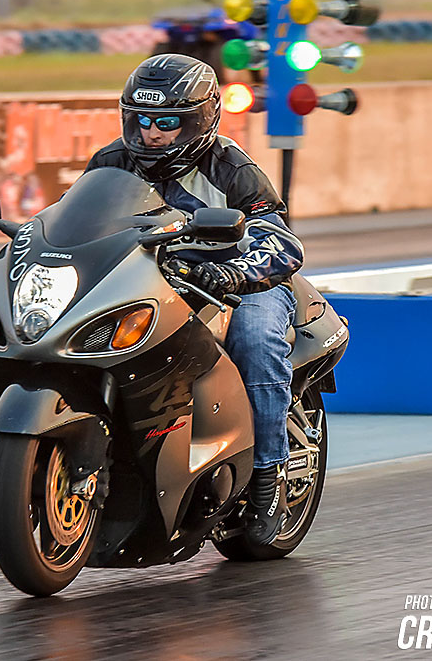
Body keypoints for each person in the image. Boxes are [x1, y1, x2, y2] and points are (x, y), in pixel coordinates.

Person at [84, 54, 305, 546]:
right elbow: (73, 223)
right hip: (151, 284)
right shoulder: (109, 163)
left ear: (200, 120)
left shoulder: (231, 168)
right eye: (141, 120)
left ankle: (268, 477)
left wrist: (232, 271)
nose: (151, 134)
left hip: (237, 285)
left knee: (255, 338)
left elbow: (282, 242)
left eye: (166, 123)